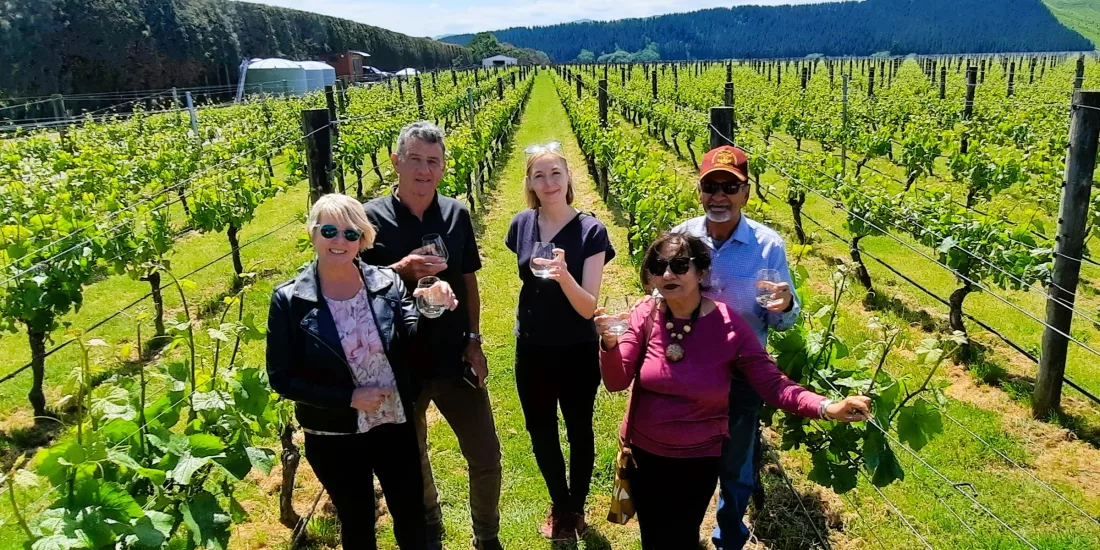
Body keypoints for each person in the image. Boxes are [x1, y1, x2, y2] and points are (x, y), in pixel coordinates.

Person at [595, 232, 870, 550]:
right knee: (654, 536)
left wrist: (827, 407)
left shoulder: (729, 326)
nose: (668, 274)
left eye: (679, 265)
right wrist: (609, 344)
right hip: (644, 454)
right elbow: (616, 381)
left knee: (681, 537)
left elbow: (773, 383)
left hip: (697, 459)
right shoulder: (645, 314)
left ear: (700, 272)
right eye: (658, 267)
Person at [266, 193, 458, 549]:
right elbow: (281, 377)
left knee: (410, 514)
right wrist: (349, 398)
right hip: (334, 434)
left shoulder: (385, 284)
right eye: (329, 231)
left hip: (393, 421)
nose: (339, 241)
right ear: (313, 233)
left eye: (351, 234)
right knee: (357, 521)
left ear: (364, 240)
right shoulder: (289, 300)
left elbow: (411, 341)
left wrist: (431, 307)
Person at [360, 121, 504, 550]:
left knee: (485, 456)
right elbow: (355, 286)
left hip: (453, 354)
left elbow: (468, 281)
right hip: (399, 361)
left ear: (442, 169)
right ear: (396, 162)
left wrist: (474, 340)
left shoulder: (456, 214)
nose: (424, 170)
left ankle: (487, 536)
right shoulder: (369, 220)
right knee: (413, 456)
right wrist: (401, 271)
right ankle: (430, 528)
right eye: (416, 160)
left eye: (433, 162)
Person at [672, 145, 799, 550]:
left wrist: (785, 305)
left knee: (736, 464)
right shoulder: (683, 238)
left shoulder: (768, 246)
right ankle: (680, 535)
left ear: (746, 192)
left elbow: (784, 319)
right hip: (689, 372)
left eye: (730, 186)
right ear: (700, 190)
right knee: (687, 461)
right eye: (711, 186)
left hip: (743, 373)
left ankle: (729, 536)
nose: (719, 196)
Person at [504, 142, 615, 540]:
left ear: (568, 177)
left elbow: (588, 308)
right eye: (539, 175)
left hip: (575, 350)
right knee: (540, 430)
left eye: (555, 173)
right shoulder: (521, 224)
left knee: (579, 429)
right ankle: (559, 501)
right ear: (530, 183)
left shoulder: (591, 231)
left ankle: (577, 506)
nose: (548, 182)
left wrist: (564, 275)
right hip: (531, 346)